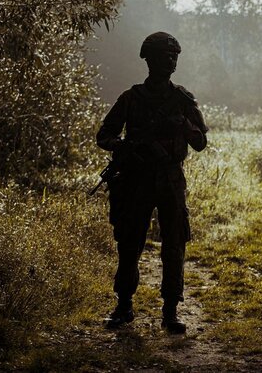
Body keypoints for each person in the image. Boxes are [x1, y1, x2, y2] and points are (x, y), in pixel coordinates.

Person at [96, 32, 208, 334]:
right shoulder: (131, 98)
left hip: (170, 178)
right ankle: (123, 305)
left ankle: (171, 310)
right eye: (164, 55)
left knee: (174, 244)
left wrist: (183, 125)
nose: (171, 61)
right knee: (130, 243)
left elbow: (201, 142)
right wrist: (125, 147)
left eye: (174, 56)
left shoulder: (183, 99)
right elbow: (104, 136)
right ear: (149, 59)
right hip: (136, 179)